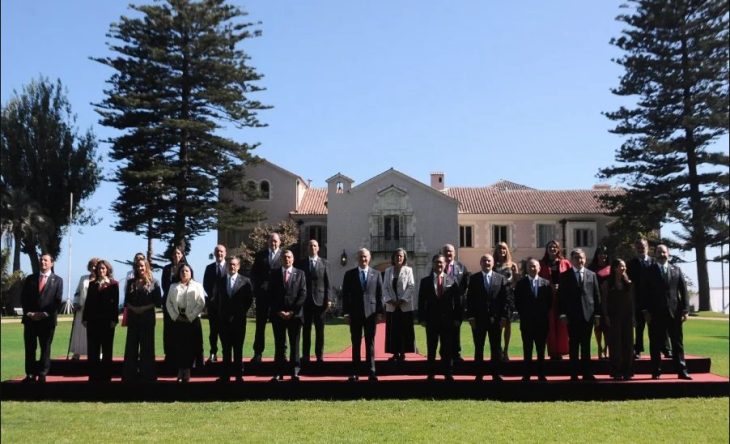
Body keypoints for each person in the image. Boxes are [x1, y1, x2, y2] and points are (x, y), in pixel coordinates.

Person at [642, 244, 691, 380]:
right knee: (655, 344)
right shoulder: (649, 271)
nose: (662, 255)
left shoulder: (676, 270)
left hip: (674, 313)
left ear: (668, 254)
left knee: (677, 343)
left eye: (664, 252)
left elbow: (683, 291)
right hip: (655, 314)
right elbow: (643, 293)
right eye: (659, 252)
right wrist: (645, 311)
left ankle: (682, 371)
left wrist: (685, 310)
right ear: (655, 254)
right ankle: (656, 371)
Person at [341, 248, 384, 381]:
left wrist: (379, 313)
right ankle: (355, 372)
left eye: (365, 256)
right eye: (361, 256)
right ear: (357, 258)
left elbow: (380, 295)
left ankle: (371, 371)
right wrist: (346, 313)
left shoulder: (376, 274)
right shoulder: (349, 274)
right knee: (356, 343)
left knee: (370, 343)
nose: (363, 259)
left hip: (371, 313)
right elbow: (345, 295)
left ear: (369, 258)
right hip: (355, 313)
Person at [558, 248, 601, 381]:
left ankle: (587, 373)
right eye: (576, 258)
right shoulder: (565, 276)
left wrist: (597, 315)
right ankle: (574, 373)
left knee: (586, 345)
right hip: (571, 317)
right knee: (574, 345)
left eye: (581, 257)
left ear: (585, 259)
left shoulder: (592, 275)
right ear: (571, 260)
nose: (579, 260)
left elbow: (596, 295)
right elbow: (561, 297)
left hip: (588, 316)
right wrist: (562, 314)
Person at [466, 253, 510, 381]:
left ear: (493, 263)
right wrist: (471, 317)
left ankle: (496, 374)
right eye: (484, 261)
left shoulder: (501, 278)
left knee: (496, 348)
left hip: (496, 319)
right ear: (480, 263)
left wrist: (504, 317)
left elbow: (506, 299)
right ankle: (479, 374)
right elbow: (470, 299)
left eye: (489, 261)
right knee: (479, 347)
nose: (487, 263)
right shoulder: (474, 279)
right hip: (478, 319)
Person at [21, 253, 63, 383]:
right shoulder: (30, 279)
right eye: (41, 260)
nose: (42, 262)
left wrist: (44, 314)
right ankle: (30, 374)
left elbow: (57, 301)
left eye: (45, 260)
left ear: (52, 263)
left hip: (47, 321)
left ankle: (42, 374)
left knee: (45, 348)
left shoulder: (58, 280)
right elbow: (24, 298)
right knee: (30, 348)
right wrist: (29, 313)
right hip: (30, 320)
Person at [418, 254, 461, 381]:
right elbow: (421, 301)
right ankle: (431, 373)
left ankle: (448, 373)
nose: (439, 265)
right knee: (431, 348)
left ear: (445, 264)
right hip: (431, 320)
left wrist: (457, 318)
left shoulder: (452, 280)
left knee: (447, 348)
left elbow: (458, 302)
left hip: (448, 320)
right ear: (432, 264)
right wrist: (422, 318)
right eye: (436, 262)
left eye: (441, 262)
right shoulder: (425, 281)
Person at [268, 250, 307, 381]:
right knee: (279, 345)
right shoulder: (274, 274)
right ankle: (278, 372)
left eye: (289, 257)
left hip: (295, 316)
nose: (287, 259)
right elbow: (270, 294)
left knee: (294, 345)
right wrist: (278, 311)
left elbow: (303, 294)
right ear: (281, 259)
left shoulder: (300, 274)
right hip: (278, 315)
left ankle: (294, 371)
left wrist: (292, 311)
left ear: (293, 259)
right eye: (284, 257)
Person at [161, 246, 202, 367]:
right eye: (174, 253)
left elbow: (195, 291)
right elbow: (164, 286)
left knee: (189, 337)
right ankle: (170, 356)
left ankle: (193, 361)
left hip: (187, 309)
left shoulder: (187, 268)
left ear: (182, 255)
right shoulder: (167, 269)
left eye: (179, 253)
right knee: (169, 333)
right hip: (171, 304)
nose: (176, 255)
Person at [122, 258, 162, 382]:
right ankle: (130, 375)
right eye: (138, 266)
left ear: (147, 267)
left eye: (142, 266)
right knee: (131, 348)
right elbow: (126, 301)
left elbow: (157, 302)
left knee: (147, 348)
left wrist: (143, 308)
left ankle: (147, 375)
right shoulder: (130, 282)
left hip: (147, 319)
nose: (140, 268)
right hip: (133, 319)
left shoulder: (155, 282)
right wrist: (134, 308)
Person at [165, 264, 206, 383]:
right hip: (178, 320)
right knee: (179, 346)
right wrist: (176, 316)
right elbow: (168, 303)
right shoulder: (173, 286)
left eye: (187, 271)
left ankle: (187, 370)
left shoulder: (198, 286)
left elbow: (201, 303)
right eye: (182, 271)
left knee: (191, 346)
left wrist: (190, 317)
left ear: (191, 273)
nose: (184, 273)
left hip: (192, 321)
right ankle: (180, 370)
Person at [514, 258, 552, 382]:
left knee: (541, 351)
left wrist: (541, 314)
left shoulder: (546, 284)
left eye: (535, 266)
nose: (532, 268)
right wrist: (526, 314)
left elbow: (549, 303)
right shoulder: (521, 284)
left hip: (542, 323)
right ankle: (527, 375)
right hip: (527, 322)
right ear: (526, 268)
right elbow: (517, 302)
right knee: (527, 350)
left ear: (539, 268)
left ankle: (541, 375)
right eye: (530, 266)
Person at [216, 256, 253, 383]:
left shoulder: (246, 281)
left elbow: (249, 300)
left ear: (238, 266)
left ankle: (238, 375)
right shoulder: (220, 281)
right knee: (225, 349)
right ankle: (225, 376)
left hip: (239, 320)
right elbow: (216, 299)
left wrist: (241, 312)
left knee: (238, 349)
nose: (232, 266)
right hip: (224, 321)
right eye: (230, 264)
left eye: (234, 264)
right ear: (227, 266)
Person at [83, 260, 120, 382]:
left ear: (107, 270)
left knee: (107, 350)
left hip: (107, 322)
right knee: (93, 351)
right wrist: (85, 318)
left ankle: (106, 376)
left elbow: (115, 304)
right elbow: (88, 302)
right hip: (93, 321)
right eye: (99, 268)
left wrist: (114, 319)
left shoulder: (114, 284)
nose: (101, 270)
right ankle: (93, 376)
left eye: (103, 268)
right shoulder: (92, 284)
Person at [296, 239, 329, 363]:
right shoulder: (301, 263)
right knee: (306, 330)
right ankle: (306, 355)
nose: (312, 248)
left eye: (315, 245)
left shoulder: (325, 263)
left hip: (320, 302)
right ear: (307, 248)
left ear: (318, 248)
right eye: (310, 246)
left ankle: (319, 355)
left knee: (320, 331)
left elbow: (328, 282)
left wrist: (329, 299)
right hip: (305, 302)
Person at [250, 233, 282, 362]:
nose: (273, 243)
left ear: (279, 242)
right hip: (262, 296)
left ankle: (281, 354)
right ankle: (258, 353)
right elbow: (253, 274)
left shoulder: (284, 255)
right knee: (260, 325)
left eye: (275, 241)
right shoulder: (260, 256)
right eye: (271, 241)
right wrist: (258, 288)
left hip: (278, 297)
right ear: (268, 242)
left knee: (279, 326)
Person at [601, 258, 635, 380]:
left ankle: (627, 370)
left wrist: (633, 317)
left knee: (628, 344)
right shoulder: (607, 284)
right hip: (613, 317)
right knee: (615, 345)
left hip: (627, 318)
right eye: (621, 266)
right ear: (615, 268)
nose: (624, 268)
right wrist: (605, 316)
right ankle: (616, 370)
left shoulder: (629, 283)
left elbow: (632, 302)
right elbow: (604, 301)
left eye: (624, 266)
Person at [538, 240, 571, 360]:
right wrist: (550, 286)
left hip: (562, 298)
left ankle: (562, 351)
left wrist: (560, 287)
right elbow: (538, 280)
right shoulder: (542, 264)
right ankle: (553, 352)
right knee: (550, 325)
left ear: (558, 249)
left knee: (562, 325)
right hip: (548, 298)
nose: (552, 249)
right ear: (547, 249)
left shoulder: (565, 263)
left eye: (555, 247)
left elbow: (570, 279)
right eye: (550, 247)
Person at [382, 248, 416, 362]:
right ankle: (395, 353)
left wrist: (402, 300)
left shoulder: (409, 270)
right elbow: (384, 287)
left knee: (404, 330)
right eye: (397, 255)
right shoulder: (388, 271)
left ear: (404, 257)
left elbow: (411, 286)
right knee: (393, 331)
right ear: (393, 257)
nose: (399, 257)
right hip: (392, 306)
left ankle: (403, 353)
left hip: (404, 306)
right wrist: (390, 300)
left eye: (401, 256)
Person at [441, 244, 469, 363]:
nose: (448, 253)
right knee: (443, 331)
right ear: (443, 253)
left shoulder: (461, 267)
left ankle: (456, 354)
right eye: (446, 251)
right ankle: (444, 354)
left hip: (457, 305)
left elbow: (465, 285)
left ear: (454, 253)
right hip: (443, 306)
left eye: (450, 251)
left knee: (456, 329)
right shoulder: (439, 266)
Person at [626, 238, 653, 359]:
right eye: (638, 247)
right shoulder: (631, 264)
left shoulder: (654, 262)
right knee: (639, 328)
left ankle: (663, 349)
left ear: (647, 247)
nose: (641, 249)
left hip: (652, 301)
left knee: (655, 328)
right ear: (635, 249)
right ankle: (637, 350)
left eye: (643, 247)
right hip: (637, 300)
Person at [69, 257, 99, 360]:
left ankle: (97, 353)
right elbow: (77, 292)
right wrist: (75, 303)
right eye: (92, 266)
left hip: (95, 311)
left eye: (95, 266)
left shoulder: (101, 279)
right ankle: (77, 352)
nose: (93, 268)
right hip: (81, 309)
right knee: (79, 332)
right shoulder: (83, 278)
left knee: (94, 332)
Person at [493, 242, 518, 361]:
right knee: (497, 325)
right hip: (496, 298)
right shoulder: (493, 265)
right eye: (499, 249)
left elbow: (516, 281)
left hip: (508, 297)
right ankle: (498, 350)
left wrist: (510, 287)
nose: (502, 251)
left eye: (504, 249)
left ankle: (506, 351)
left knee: (507, 324)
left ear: (507, 250)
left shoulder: (512, 265)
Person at [203, 244, 227, 363]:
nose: (219, 253)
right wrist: (212, 297)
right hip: (213, 306)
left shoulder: (230, 267)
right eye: (217, 251)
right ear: (214, 254)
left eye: (221, 251)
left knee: (225, 331)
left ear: (225, 253)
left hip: (226, 307)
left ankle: (226, 353)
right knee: (213, 331)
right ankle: (213, 353)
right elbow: (205, 284)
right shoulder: (209, 268)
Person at [588, 245, 611, 360]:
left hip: (608, 302)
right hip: (595, 301)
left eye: (605, 253)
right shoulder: (591, 269)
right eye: (600, 253)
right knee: (598, 326)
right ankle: (599, 347)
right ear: (597, 255)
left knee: (607, 327)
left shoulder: (611, 268)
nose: (603, 255)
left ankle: (606, 348)